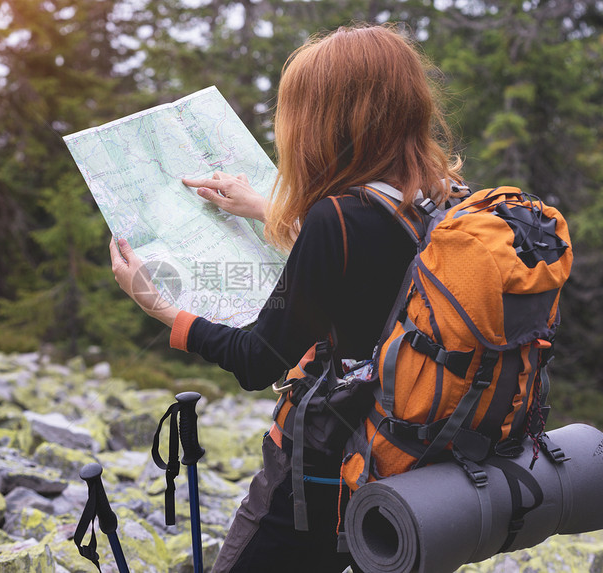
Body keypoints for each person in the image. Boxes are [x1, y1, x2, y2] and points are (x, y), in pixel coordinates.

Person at [109, 23, 462, 572]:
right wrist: (267, 208)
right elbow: (372, 273)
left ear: (327, 120)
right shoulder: (444, 198)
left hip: (324, 471)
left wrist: (164, 310)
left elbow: (259, 360)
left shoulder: (334, 220)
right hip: (417, 459)